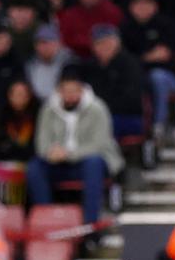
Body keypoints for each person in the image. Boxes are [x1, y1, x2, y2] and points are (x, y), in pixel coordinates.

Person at [25, 66, 125, 226]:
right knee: (34, 167)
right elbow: (42, 142)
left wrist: (69, 154)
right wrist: (51, 152)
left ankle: (90, 223)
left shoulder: (97, 108)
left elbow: (99, 144)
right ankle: (46, 220)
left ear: (82, 90)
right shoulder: (48, 109)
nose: (70, 95)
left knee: (93, 162)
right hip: (58, 162)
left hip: (88, 162)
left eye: (74, 91)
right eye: (66, 91)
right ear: (59, 91)